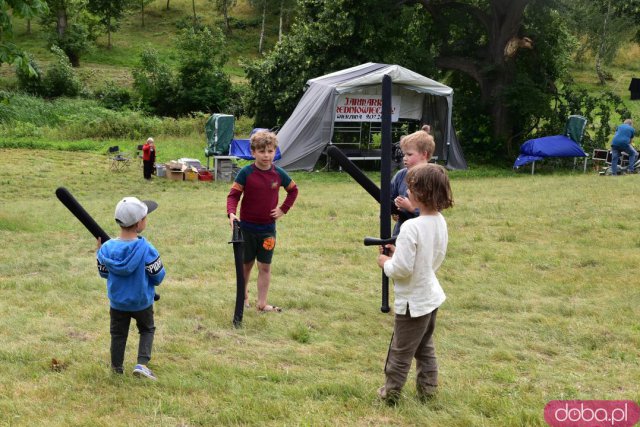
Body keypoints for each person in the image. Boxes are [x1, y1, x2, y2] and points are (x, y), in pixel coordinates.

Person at [376, 163, 453, 404]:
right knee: (424, 347)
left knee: (400, 351)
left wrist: (385, 262)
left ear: (420, 193)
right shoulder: (439, 221)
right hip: (430, 296)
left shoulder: (411, 226)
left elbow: (401, 269)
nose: (407, 191)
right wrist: (397, 251)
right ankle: (428, 391)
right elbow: (427, 256)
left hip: (414, 302)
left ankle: (390, 394)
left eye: (410, 188)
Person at [226, 130, 299, 312]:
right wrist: (231, 214)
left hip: (267, 230)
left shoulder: (279, 174)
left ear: (275, 151)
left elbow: (293, 190)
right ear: (253, 152)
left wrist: (283, 209)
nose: (266, 155)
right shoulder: (246, 173)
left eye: (270, 151)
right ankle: (243, 299)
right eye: (261, 151)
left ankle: (262, 303)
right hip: (247, 229)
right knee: (246, 266)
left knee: (264, 266)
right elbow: (233, 196)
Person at [97, 197, 166, 380]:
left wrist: (100, 252)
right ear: (139, 223)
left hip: (118, 303)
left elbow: (104, 273)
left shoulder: (106, 249)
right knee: (147, 329)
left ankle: (116, 368)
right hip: (142, 302)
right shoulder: (147, 249)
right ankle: (142, 364)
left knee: (118, 334)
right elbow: (158, 276)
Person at [390, 125, 435, 236]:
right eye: (404, 154)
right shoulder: (401, 175)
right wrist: (394, 208)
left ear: (424, 154)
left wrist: (410, 208)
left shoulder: (433, 177)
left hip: (423, 234)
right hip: (402, 232)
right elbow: (390, 197)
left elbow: (434, 212)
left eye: (409, 154)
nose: (404, 158)